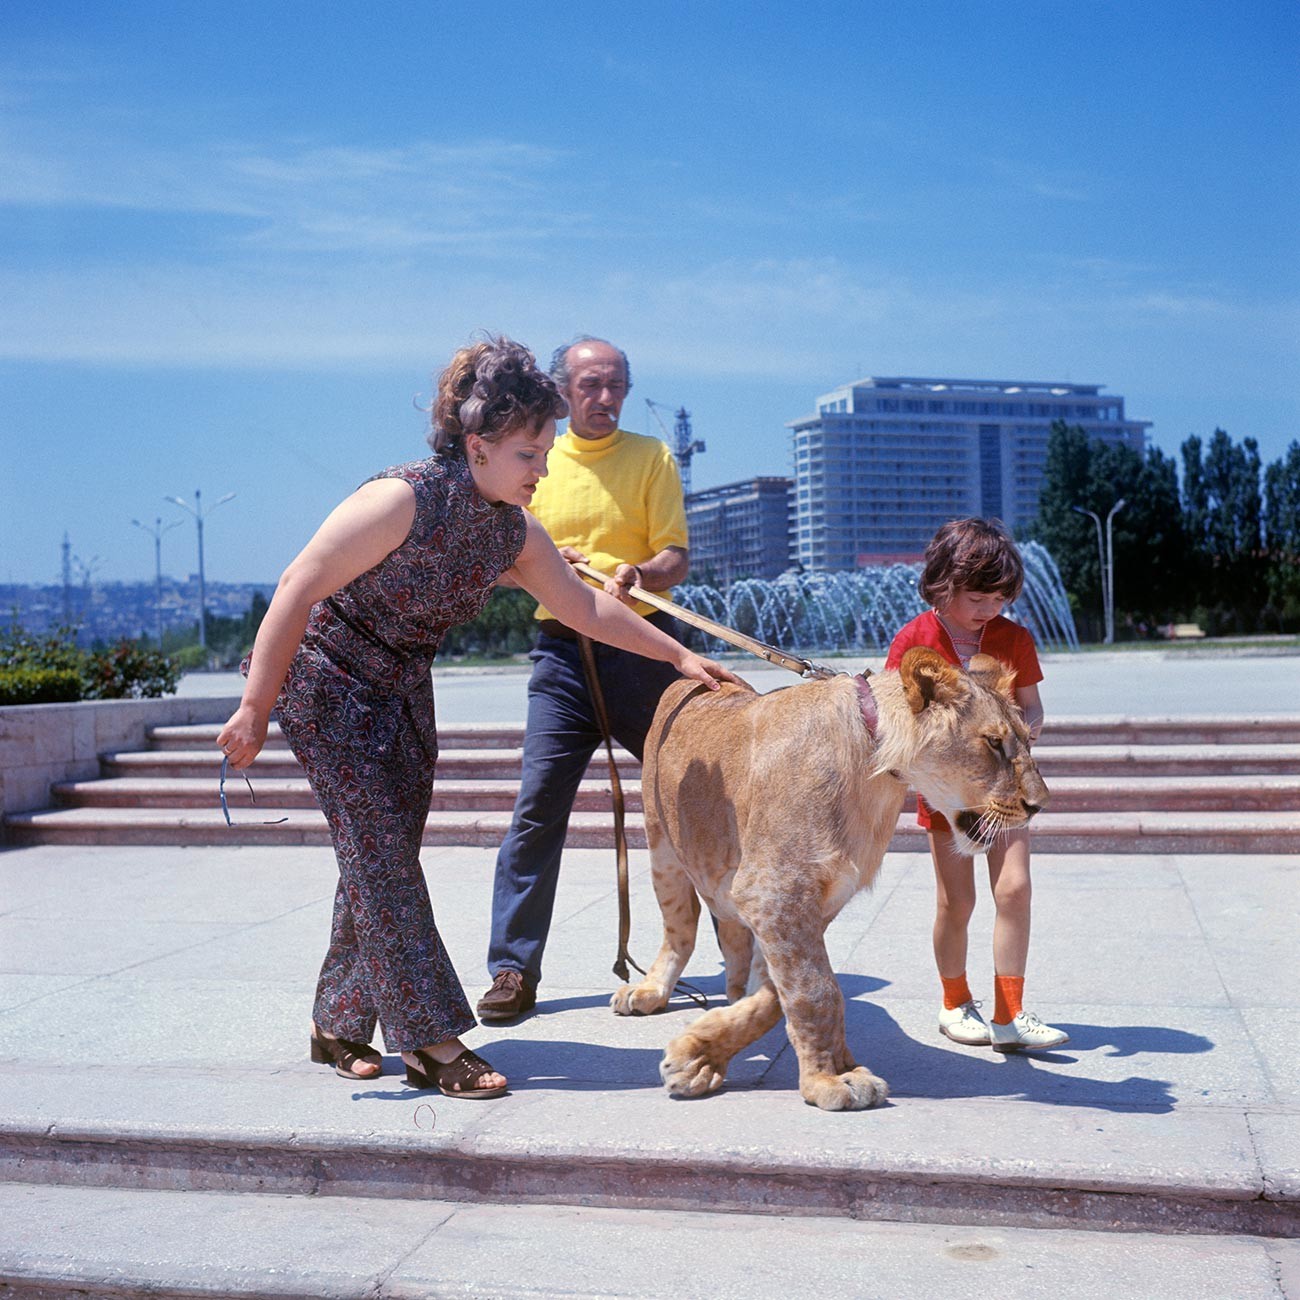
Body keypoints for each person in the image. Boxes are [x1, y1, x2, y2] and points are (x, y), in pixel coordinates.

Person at [217, 336, 736, 1099]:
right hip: (324, 683)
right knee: (384, 861)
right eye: (530, 454)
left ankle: (337, 1021)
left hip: (401, 689)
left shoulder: (512, 532)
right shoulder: (402, 499)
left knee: (377, 858)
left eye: (547, 452)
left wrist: (679, 657)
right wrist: (255, 706)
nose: (544, 470)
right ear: (477, 445)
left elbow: (585, 606)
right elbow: (296, 586)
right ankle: (430, 1040)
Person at [478, 336, 691, 1022]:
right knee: (537, 808)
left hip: (642, 648)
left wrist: (639, 574)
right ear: (562, 391)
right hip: (563, 655)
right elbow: (504, 548)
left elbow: (675, 556)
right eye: (591, 385)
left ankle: (743, 950)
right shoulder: (536, 457)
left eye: (617, 385)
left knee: (696, 798)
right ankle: (512, 968)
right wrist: (541, 559)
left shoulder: (651, 456)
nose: (605, 399)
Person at [885, 517, 1068, 1053]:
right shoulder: (915, 639)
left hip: (1007, 788)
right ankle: (954, 1002)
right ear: (942, 585)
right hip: (951, 796)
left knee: (1014, 889)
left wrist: (1021, 732)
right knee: (955, 902)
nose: (990, 610)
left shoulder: (1014, 638)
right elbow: (901, 717)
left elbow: (1032, 708)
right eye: (977, 599)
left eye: (1000, 598)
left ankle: (1009, 1015)